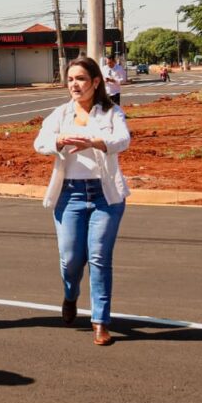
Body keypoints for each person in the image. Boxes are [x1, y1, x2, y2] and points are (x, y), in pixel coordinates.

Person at [33, 57, 131, 347]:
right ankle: (70, 294)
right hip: (70, 195)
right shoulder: (60, 114)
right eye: (71, 79)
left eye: (81, 79)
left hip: (105, 195)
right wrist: (58, 142)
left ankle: (100, 321)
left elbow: (123, 139)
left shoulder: (111, 112)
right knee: (71, 259)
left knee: (99, 257)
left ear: (96, 82)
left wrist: (95, 142)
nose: (75, 85)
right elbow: (39, 143)